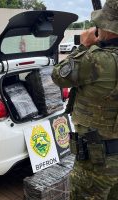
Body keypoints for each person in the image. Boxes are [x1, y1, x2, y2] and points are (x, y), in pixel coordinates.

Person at [51, 0, 118, 199]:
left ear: (107, 28)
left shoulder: (94, 59)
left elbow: (58, 76)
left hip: (96, 163)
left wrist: (83, 45)